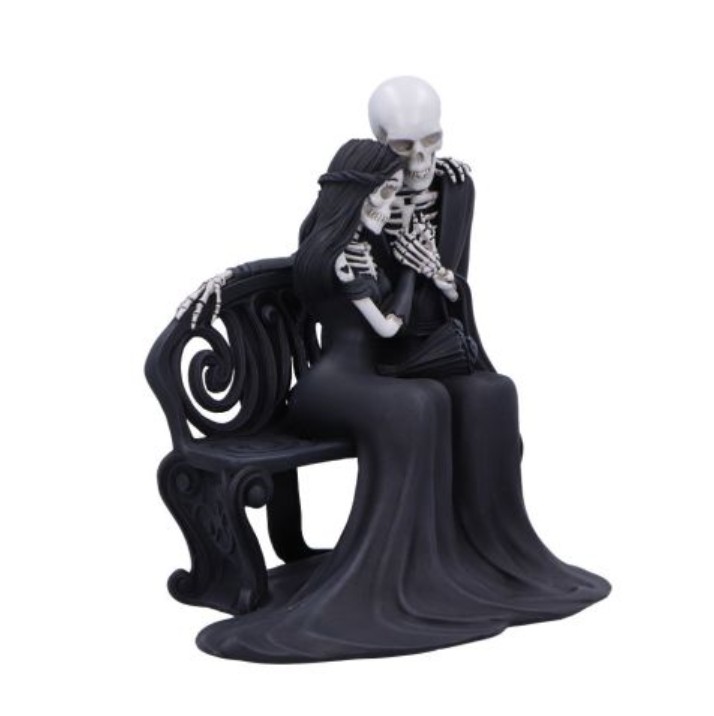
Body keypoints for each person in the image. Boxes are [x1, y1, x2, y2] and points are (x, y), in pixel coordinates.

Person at [194, 139, 610, 663]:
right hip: (329, 388)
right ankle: (395, 571)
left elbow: (407, 314)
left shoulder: (368, 247)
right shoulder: (342, 255)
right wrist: (219, 282)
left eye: (391, 192)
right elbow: (383, 323)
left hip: (370, 375)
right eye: (380, 192)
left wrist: (432, 266)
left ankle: (482, 556)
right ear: (353, 193)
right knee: (418, 402)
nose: (386, 204)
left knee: (492, 392)